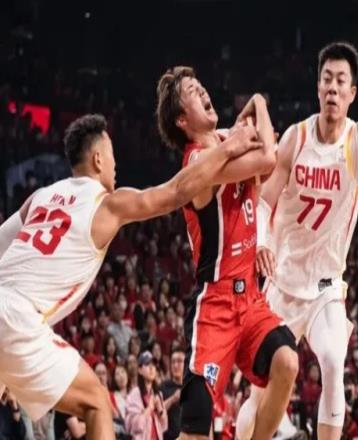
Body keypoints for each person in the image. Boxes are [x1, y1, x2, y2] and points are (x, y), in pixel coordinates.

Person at [236, 1, 358, 439]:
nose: (332, 87)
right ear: (317, 86)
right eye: (326, 78)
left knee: (331, 359)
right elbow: (265, 201)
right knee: (258, 392)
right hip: (282, 282)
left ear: (352, 93)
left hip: (326, 285)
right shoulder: (295, 137)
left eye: (341, 80)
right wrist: (262, 241)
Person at [0, 113, 265, 440]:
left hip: (7, 309)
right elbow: (175, 191)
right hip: (18, 318)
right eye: (111, 154)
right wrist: (228, 148)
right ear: (98, 159)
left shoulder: (38, 199)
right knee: (97, 402)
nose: (116, 164)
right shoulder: (107, 204)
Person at [156, 67, 299, 440]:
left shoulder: (225, 140)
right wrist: (259, 103)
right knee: (195, 430)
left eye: (200, 85)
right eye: (192, 91)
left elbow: (266, 157)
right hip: (215, 306)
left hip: (249, 298)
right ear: (182, 120)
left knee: (287, 361)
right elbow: (268, 157)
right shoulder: (197, 162)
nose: (203, 90)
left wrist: (250, 128)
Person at [125, 351, 167, 440]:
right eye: (147, 364)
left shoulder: (158, 394)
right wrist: (149, 409)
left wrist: (160, 411)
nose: (151, 368)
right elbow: (132, 427)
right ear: (140, 370)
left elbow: (164, 426)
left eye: (153, 365)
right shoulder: (134, 395)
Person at [161, 348, 185, 440]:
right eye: (173, 362)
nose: (175, 365)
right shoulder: (164, 386)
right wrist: (173, 399)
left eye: (179, 361)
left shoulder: (191, 388)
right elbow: (157, 413)